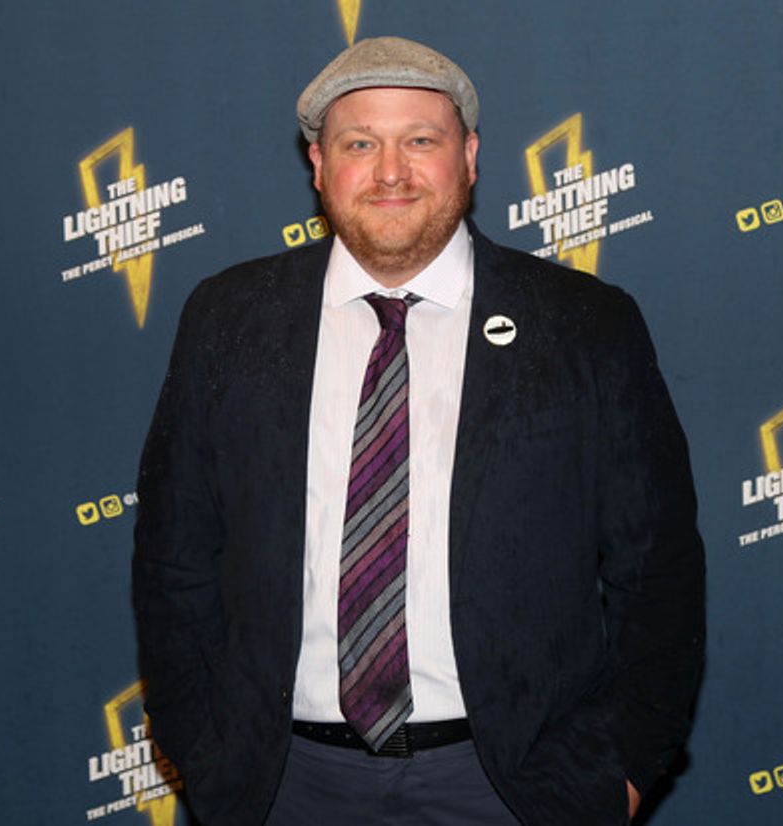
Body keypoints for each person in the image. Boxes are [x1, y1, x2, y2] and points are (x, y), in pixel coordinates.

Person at [133, 36, 704, 825]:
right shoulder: (227, 319)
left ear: (469, 157)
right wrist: (204, 754)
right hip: (282, 784)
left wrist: (622, 771)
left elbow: (658, 573)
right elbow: (174, 561)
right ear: (318, 164)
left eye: (421, 141)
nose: (391, 171)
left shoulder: (584, 326)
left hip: (515, 788)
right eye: (360, 143)